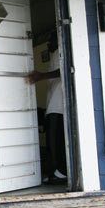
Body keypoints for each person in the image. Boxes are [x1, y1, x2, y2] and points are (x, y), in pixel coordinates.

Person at [27, 32, 67, 182]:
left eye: (51, 40)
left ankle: (61, 171)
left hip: (59, 106)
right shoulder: (54, 54)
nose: (49, 44)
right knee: (52, 141)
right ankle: (55, 170)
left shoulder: (61, 51)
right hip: (52, 105)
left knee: (56, 141)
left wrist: (41, 76)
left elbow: (62, 70)